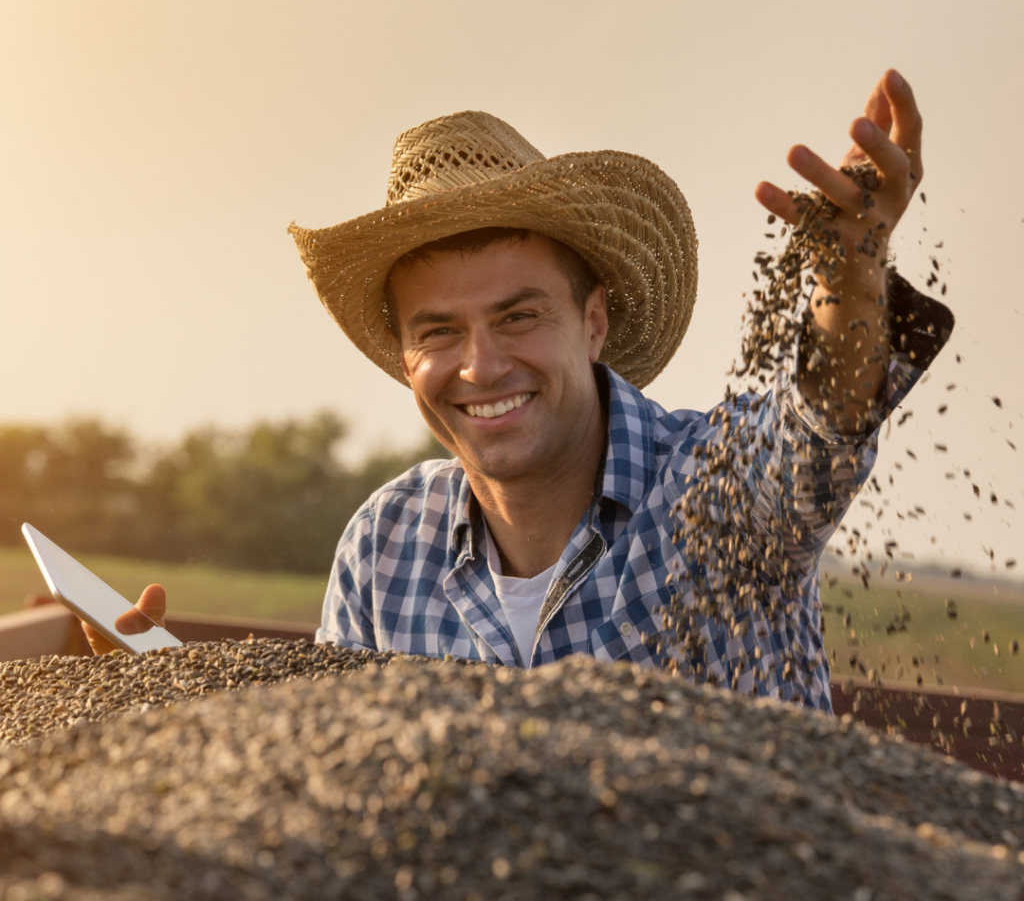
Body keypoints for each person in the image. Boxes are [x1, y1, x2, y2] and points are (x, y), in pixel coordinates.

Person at [84, 70, 953, 712]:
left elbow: (816, 439)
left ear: (596, 323)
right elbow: (334, 775)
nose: (480, 365)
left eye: (519, 315)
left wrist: (851, 274)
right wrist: (171, 709)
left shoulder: (717, 490)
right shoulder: (385, 549)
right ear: (403, 358)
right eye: (437, 332)